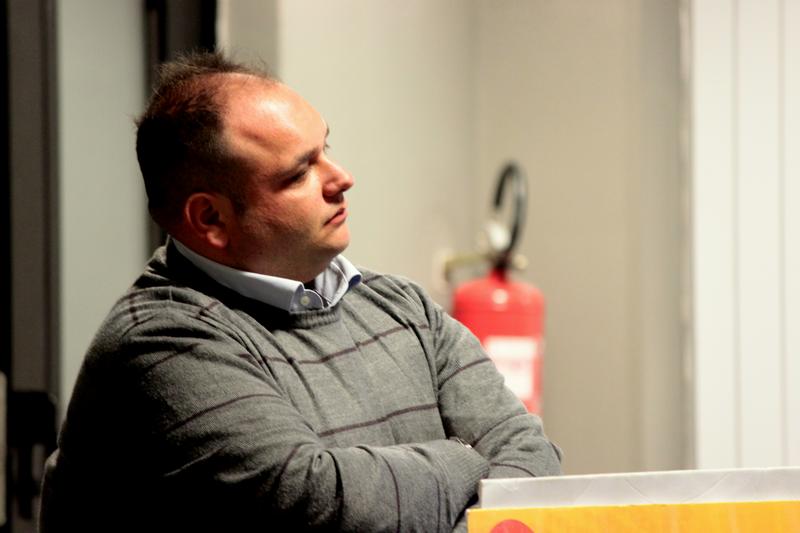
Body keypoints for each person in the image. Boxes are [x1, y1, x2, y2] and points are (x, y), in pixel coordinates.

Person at [39, 52, 561, 532]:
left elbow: (530, 458)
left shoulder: (404, 307)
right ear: (211, 219)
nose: (341, 178)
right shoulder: (161, 342)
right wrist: (467, 456)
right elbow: (322, 505)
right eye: (298, 173)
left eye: (325, 149)